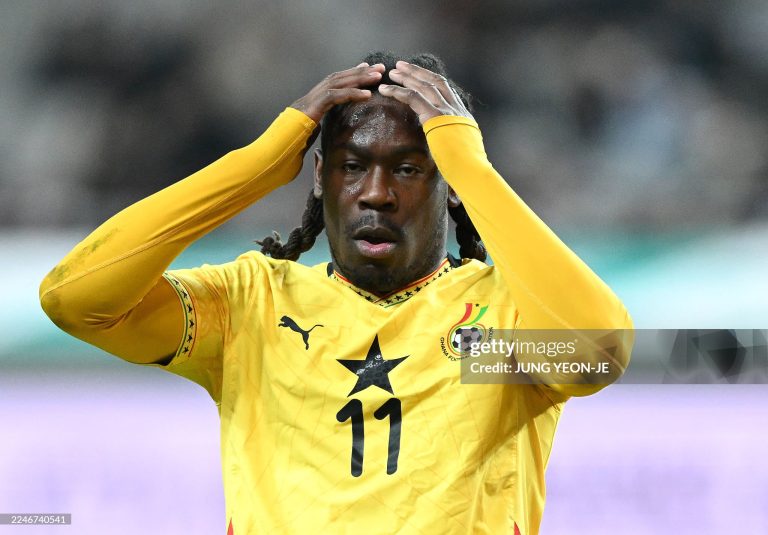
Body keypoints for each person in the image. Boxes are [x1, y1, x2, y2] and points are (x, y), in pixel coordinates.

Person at [39, 51, 633, 535]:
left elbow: (600, 353)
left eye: (408, 168)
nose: (375, 193)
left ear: (447, 185)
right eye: (352, 167)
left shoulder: (500, 327)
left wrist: (474, 173)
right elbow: (74, 298)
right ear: (320, 176)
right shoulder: (251, 307)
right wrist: (255, 165)